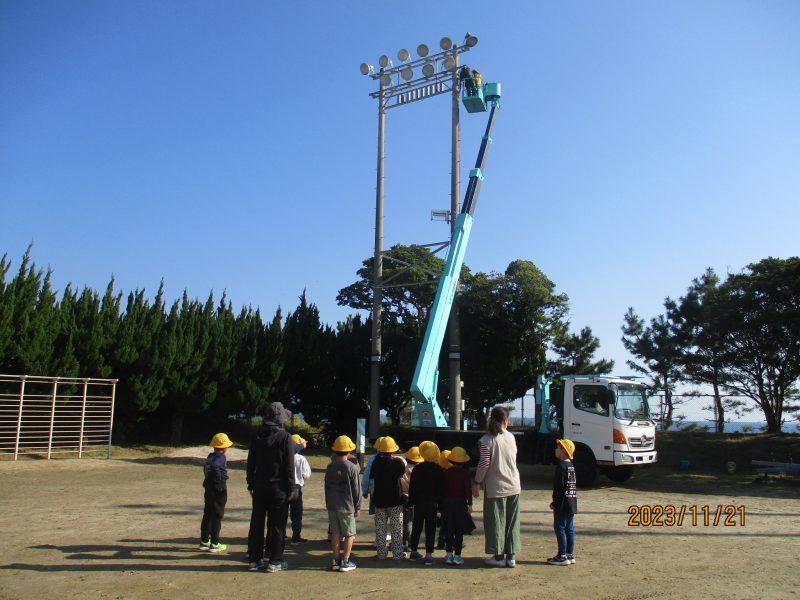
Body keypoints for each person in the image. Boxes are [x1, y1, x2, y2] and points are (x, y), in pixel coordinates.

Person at [246, 402, 296, 573]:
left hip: (259, 485)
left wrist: (250, 483)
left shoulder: (256, 434)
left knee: (257, 523)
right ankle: (275, 560)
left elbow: (251, 461)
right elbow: (289, 466)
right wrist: (291, 488)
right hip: (279, 487)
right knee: (277, 524)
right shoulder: (285, 437)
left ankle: (254, 559)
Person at [473, 405, 522, 568]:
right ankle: (511, 556)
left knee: (496, 522)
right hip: (514, 485)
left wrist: (477, 482)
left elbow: (484, 463)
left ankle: (498, 556)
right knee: (511, 522)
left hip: (496, 487)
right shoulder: (511, 437)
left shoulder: (486, 440)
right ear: (505, 421)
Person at [325, 435, 362, 572]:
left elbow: (326, 486)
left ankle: (335, 560)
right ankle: (345, 561)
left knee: (335, 533)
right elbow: (356, 489)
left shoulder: (330, 466)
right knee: (349, 534)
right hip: (347, 506)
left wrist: (328, 502)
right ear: (349, 451)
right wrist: (358, 506)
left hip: (332, 505)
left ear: (335, 451)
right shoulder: (352, 467)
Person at [369, 436, 406, 560]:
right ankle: (398, 554)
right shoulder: (398, 462)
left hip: (379, 500)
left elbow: (372, 476)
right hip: (395, 500)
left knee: (380, 529)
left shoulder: (375, 462)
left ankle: (381, 553)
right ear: (393, 449)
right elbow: (402, 474)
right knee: (396, 528)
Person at [408, 440, 444, 566]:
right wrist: (441, 504)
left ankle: (413, 552)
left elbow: (412, 487)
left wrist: (410, 502)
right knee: (431, 529)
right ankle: (429, 555)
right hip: (433, 504)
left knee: (416, 527)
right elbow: (441, 489)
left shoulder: (417, 469)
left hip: (418, 503)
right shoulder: (439, 470)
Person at [199, 433, 232, 552]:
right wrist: (219, 481)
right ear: (224, 447)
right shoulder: (221, 457)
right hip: (218, 488)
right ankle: (215, 543)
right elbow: (215, 467)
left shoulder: (210, 456)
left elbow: (207, 468)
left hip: (208, 487)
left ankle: (204, 541)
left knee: (207, 513)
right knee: (217, 515)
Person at [442, 446, 475, 565]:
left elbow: (443, 490)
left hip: (448, 504)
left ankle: (448, 554)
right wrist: (470, 504)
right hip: (460, 504)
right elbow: (468, 490)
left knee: (449, 529)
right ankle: (457, 556)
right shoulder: (464, 474)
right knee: (459, 531)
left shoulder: (446, 473)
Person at [548, 439, 577, 566]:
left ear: (563, 451)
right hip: (571, 502)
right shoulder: (571, 466)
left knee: (560, 528)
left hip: (562, 504)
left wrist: (554, 502)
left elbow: (558, 487)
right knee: (569, 529)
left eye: (557, 447)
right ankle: (570, 554)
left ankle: (562, 555)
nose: (555, 449)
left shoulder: (561, 467)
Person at [289, 433, 312, 545]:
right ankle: (295, 537)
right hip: (296, 488)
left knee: (282, 513)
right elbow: (307, 474)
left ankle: (281, 534)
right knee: (296, 514)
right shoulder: (301, 459)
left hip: (284, 488)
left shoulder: (284, 455)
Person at [401, 446, 423, 551]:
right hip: (417, 498)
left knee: (407, 521)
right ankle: (411, 542)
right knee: (414, 521)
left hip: (405, 498)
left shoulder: (403, 469)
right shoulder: (419, 469)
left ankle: (405, 541)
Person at [436, 449, 452, 549]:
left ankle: (441, 541)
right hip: (453, 500)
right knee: (452, 522)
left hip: (442, 501)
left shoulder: (439, 472)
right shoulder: (454, 473)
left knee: (444, 522)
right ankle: (451, 541)